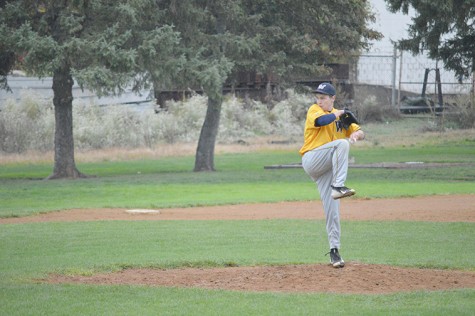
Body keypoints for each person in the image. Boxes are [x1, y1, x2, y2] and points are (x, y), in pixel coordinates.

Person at [299, 82, 365, 268]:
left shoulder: (339, 117)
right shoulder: (315, 110)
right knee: (342, 144)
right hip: (312, 159)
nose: (319, 101)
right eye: (318, 97)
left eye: (323, 98)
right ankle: (338, 186)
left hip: (327, 168)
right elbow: (321, 122)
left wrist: (356, 134)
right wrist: (338, 113)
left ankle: (334, 251)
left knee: (332, 210)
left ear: (333, 98)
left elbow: (360, 131)